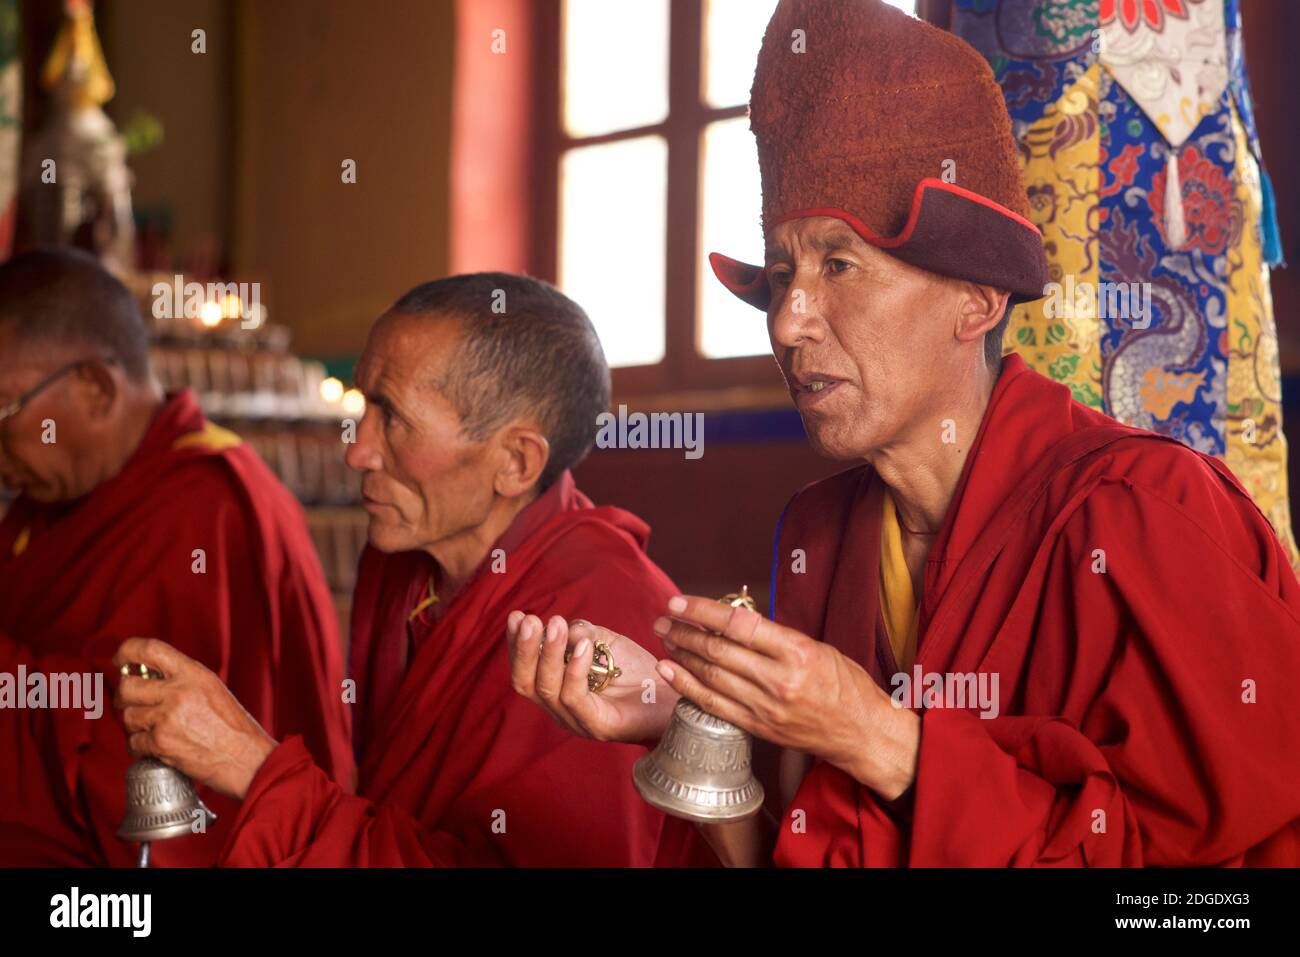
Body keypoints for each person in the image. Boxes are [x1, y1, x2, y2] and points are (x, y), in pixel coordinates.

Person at [509, 0, 1300, 867]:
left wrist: (877, 734)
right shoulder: (821, 531)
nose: (789, 321)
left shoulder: (1144, 513)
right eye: (781, 274)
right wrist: (693, 719)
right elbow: (804, 845)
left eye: (839, 265)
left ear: (978, 298)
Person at [113, 273, 713, 867]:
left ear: (516, 460)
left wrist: (251, 765)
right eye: (364, 403)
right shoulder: (405, 562)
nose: (357, 451)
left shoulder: (601, 617)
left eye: (392, 417)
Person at [0, 248, 352, 866]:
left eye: (2, 413)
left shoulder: (207, 510)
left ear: (96, 388)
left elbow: (147, 763)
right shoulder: (61, 489)